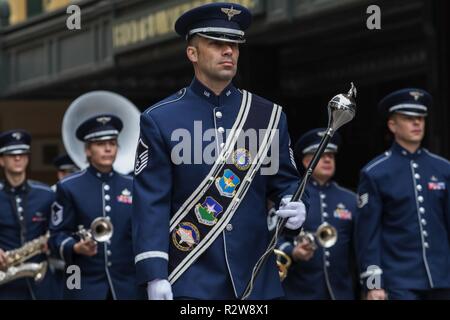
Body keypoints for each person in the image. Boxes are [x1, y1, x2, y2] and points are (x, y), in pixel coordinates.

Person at [132, 2, 307, 300]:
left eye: (234, 45)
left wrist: (296, 202)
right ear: (192, 53)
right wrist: (155, 274)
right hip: (189, 279)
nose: (229, 51)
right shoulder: (159, 119)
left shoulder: (268, 115)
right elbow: (151, 204)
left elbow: (285, 182)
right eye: (216, 44)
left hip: (256, 281)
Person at [355, 88, 450, 300]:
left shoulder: (444, 169)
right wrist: (373, 284)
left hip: (443, 278)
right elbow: (368, 236)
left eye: (420, 118)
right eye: (408, 118)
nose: (417, 123)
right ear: (392, 125)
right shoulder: (375, 172)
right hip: (399, 282)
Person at [50, 114, 144, 299]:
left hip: (126, 284)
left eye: (113, 143)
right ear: (87, 150)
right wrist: (76, 247)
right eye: (101, 144)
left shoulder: (132, 185)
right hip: (81, 280)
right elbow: (56, 236)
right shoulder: (69, 186)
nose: (108, 148)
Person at [276, 128, 358, 299]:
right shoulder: (293, 197)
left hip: (341, 292)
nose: (327, 159)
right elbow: (272, 238)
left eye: (331, 155)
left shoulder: (351, 199)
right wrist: (293, 251)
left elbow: (361, 246)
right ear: (307, 162)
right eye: (321, 155)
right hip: (300, 290)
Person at [0, 130, 56, 299]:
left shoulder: (47, 194)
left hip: (41, 281)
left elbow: (60, 228)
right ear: (1, 160)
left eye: (23, 154)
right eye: (12, 155)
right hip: (5, 282)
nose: (18, 158)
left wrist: (52, 241)